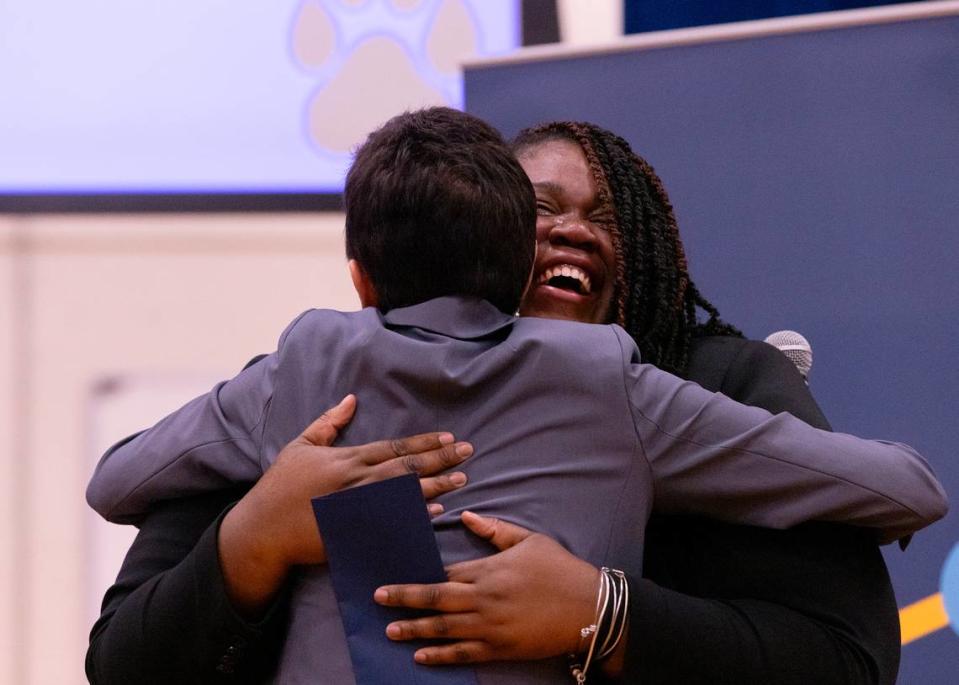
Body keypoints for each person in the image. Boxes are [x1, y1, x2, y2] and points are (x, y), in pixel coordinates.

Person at [85, 113, 945, 684]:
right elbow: (121, 660)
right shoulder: (306, 395)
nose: (569, 227)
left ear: (644, 250)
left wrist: (606, 615)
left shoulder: (701, 387)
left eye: (603, 215)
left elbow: (846, 659)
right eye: (534, 208)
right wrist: (255, 536)